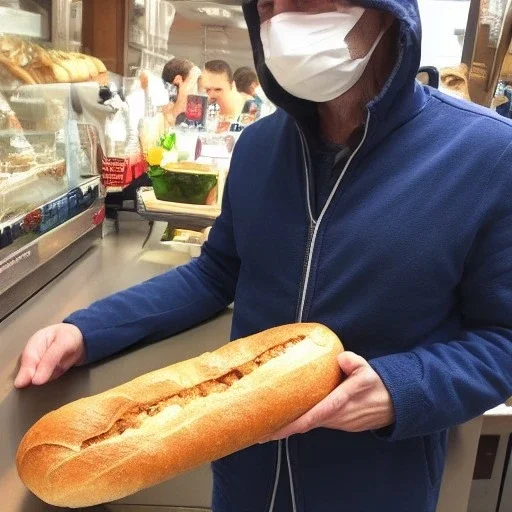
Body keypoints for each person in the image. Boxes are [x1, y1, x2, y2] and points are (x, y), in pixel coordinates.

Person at [14, 1, 512, 511]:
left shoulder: (488, 155)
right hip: (245, 479)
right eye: (268, 5)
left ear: (386, 12)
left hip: (375, 486)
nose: (281, 18)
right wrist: (89, 329)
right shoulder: (257, 147)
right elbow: (215, 273)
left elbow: (503, 338)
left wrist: (402, 388)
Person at [161, 57, 202, 126]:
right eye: (195, 81)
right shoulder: (167, 111)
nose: (199, 88)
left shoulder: (197, 109)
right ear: (178, 80)